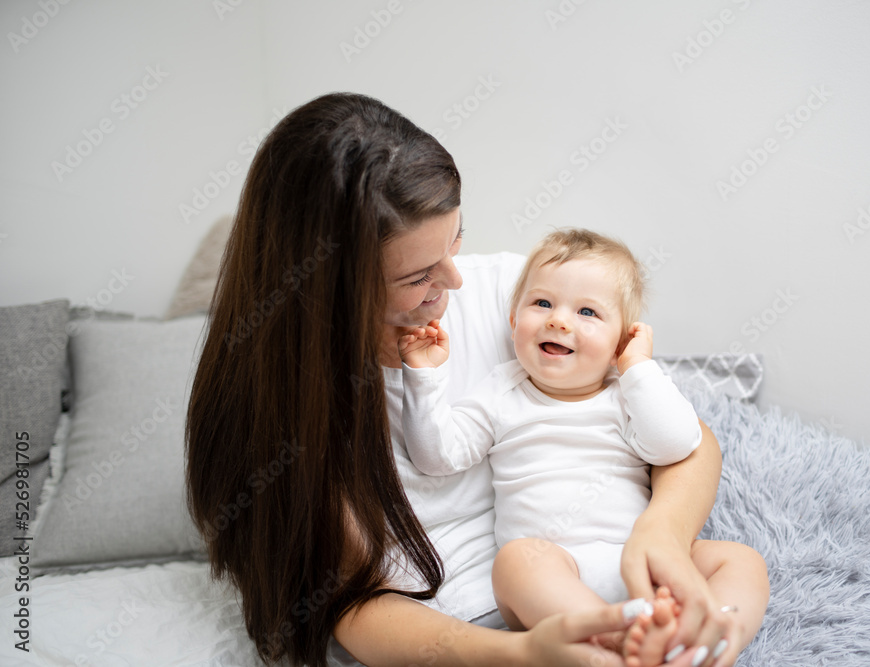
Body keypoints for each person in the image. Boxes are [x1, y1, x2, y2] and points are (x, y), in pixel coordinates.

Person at [185, 92, 754, 667]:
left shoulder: (525, 300)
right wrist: (525, 653)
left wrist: (662, 534)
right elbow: (354, 607)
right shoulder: (285, 420)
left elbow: (688, 443)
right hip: (465, 632)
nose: (454, 280)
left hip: (608, 563)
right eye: (417, 276)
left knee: (742, 564)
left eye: (455, 240)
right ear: (330, 289)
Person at [397, 229, 769, 666]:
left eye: (588, 311)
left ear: (619, 344)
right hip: (555, 569)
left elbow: (677, 443)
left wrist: (639, 370)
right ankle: (616, 640)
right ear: (514, 321)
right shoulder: (500, 392)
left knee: (741, 560)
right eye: (542, 304)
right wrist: (424, 379)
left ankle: (708, 642)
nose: (559, 320)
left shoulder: (627, 396)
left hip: (643, 559)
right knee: (516, 563)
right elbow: (438, 456)